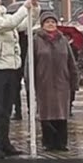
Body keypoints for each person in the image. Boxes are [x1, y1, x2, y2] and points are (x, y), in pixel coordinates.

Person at [0, 0, 35, 159]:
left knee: (6, 108)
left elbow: (25, 24)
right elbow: (9, 24)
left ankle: (5, 143)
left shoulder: (7, 16)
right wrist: (24, 8)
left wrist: (34, 8)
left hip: (12, 67)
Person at [33, 12, 77, 152]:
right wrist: (30, 84)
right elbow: (31, 63)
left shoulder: (63, 40)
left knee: (62, 113)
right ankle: (48, 142)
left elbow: (71, 61)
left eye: (53, 22)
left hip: (62, 82)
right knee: (46, 113)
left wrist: (74, 81)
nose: (50, 24)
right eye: (47, 22)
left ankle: (61, 142)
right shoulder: (36, 40)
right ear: (42, 24)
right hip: (44, 83)